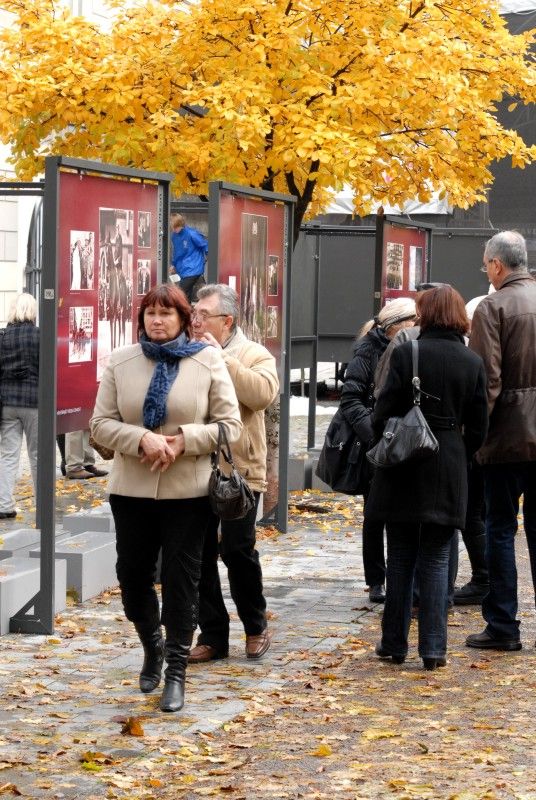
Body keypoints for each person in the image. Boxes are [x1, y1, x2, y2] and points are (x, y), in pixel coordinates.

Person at [90, 283, 242, 712]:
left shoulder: (207, 360)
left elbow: (230, 425)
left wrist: (181, 440)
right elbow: (100, 423)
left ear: (182, 319)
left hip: (187, 492)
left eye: (166, 314)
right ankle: (152, 645)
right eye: (149, 314)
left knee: (182, 580)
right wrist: (141, 439)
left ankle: (176, 669)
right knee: (133, 575)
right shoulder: (121, 362)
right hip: (132, 490)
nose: (156, 321)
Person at [368, 285, 488, 670]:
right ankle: (433, 650)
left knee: (401, 556)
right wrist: (459, 453)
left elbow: (382, 411)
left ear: (425, 315)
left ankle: (394, 644)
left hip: (405, 462)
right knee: (437, 558)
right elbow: (480, 427)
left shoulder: (408, 353)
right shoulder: (471, 362)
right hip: (448, 463)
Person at [187, 284, 279, 663]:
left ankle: (255, 626)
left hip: (239, 473)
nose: (195, 321)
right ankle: (213, 634)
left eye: (202, 315)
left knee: (237, 550)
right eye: (193, 313)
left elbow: (261, 395)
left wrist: (220, 358)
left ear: (226, 320)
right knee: (200, 553)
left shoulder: (253, 354)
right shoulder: (187, 351)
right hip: (194, 469)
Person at [466, 230, 536, 651]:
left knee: (499, 529)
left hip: (507, 438)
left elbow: (486, 382)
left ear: (496, 265)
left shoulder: (493, 307)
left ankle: (503, 625)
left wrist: (473, 436)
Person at [340, 298, 417, 603]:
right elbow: (350, 398)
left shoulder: (413, 345)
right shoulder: (367, 350)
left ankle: (401, 576)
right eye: (414, 322)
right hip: (376, 443)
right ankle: (376, 579)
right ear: (397, 325)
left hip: (407, 440)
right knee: (374, 514)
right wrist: (373, 432)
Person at [0, 293, 40, 519]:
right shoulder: (40, 335)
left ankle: (4, 504)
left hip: (7, 403)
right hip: (34, 402)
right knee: (37, 455)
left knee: (8, 455)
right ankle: (42, 502)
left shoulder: (2, 336)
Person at [170, 213, 208, 302]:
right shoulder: (174, 236)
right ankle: (188, 312)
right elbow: (176, 252)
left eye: (176, 227)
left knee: (181, 293)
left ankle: (185, 312)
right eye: (173, 228)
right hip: (183, 269)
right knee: (186, 295)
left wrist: (207, 255)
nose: (175, 230)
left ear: (181, 225)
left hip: (193, 268)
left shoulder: (192, 233)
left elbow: (204, 244)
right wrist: (173, 264)